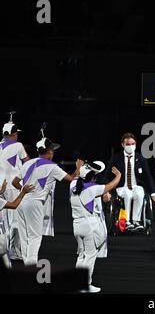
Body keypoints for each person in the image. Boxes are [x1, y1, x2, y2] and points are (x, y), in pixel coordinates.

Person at [12, 135, 83, 266]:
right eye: (53, 150)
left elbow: (14, 182)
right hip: (35, 203)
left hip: (21, 202)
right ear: (49, 151)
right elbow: (72, 178)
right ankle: (30, 265)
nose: (54, 152)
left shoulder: (28, 163)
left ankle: (27, 264)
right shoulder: (52, 167)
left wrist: (23, 189)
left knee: (24, 236)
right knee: (35, 236)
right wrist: (78, 167)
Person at [70, 161, 121, 293]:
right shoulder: (92, 189)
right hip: (88, 226)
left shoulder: (74, 185)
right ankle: (85, 285)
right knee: (90, 256)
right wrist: (118, 176)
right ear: (92, 178)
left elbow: (76, 177)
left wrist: (78, 168)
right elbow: (110, 186)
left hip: (76, 226)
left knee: (81, 256)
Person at [105, 132, 155, 231]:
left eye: (133, 144)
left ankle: (136, 221)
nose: (131, 146)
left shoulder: (141, 158)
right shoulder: (116, 158)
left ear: (136, 144)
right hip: (121, 187)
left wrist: (153, 193)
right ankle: (126, 220)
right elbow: (107, 175)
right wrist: (106, 191)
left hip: (135, 185)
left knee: (139, 193)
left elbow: (148, 176)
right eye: (128, 144)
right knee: (127, 194)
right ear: (123, 145)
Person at [0, 114, 30, 260]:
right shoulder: (18, 146)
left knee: (4, 220)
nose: (18, 135)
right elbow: (28, 163)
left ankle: (7, 249)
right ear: (12, 134)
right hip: (13, 186)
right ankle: (13, 250)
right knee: (16, 220)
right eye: (16, 133)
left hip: (1, 187)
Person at [0, 178, 34, 268]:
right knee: (7, 265)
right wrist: (23, 193)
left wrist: (1, 192)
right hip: (0, 239)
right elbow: (14, 205)